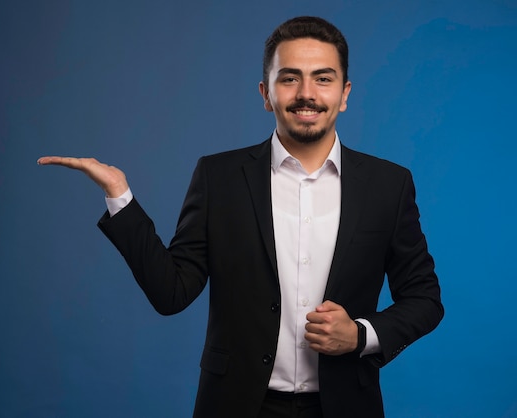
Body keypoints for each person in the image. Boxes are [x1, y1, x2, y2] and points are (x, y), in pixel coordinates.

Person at [38, 16, 443, 418]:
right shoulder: (219, 178)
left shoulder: (389, 185)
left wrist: (359, 335)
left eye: (323, 78)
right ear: (266, 94)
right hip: (237, 406)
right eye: (289, 79)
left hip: (346, 406)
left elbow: (425, 299)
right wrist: (120, 196)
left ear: (344, 93)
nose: (307, 93)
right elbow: (171, 293)